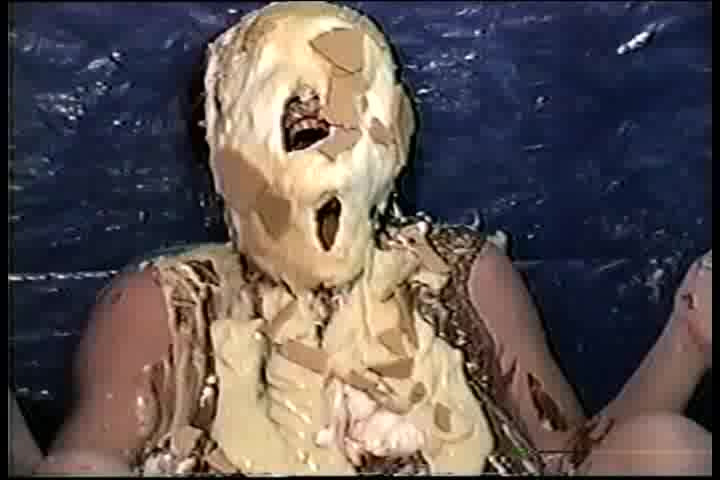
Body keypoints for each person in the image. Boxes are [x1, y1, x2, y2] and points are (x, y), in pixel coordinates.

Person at [11, 1, 712, 476]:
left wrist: (687, 337)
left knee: (668, 446)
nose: (326, 143)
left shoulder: (460, 274)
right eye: (298, 126)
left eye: (352, 116)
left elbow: (566, 458)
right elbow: (87, 461)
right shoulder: (168, 304)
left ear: (395, 137)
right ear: (219, 146)